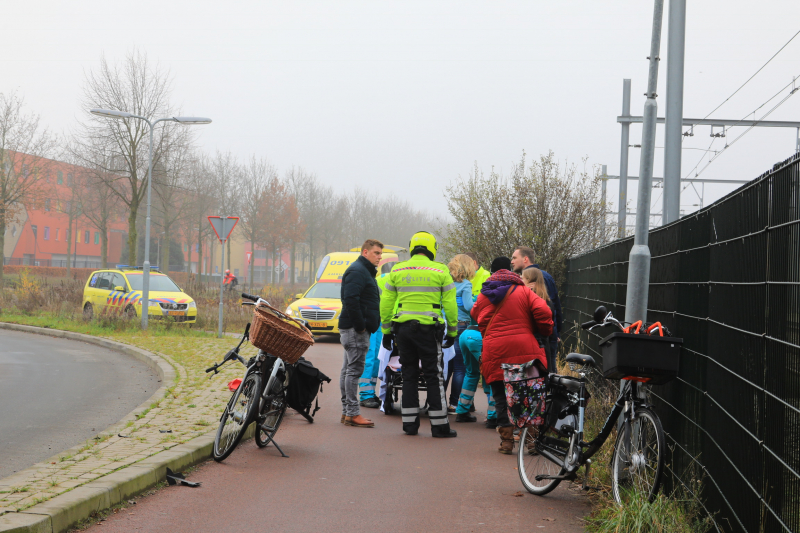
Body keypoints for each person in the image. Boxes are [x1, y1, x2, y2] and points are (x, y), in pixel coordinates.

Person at [380, 231, 459, 438]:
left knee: (409, 376)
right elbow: (450, 306)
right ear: (432, 248)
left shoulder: (397, 270)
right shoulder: (441, 271)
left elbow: (386, 303)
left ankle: (409, 426)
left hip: (402, 330)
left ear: (412, 246)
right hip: (429, 330)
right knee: (433, 376)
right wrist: (452, 331)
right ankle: (440, 427)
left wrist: (386, 332)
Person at [471, 268, 552, 454]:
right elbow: (543, 311)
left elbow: (474, 313)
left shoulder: (484, 296)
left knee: (500, 397)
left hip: (495, 350)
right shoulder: (523, 291)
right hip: (525, 350)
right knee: (529, 395)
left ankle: (506, 442)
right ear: (514, 279)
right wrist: (543, 331)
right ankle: (531, 441)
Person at [338, 239, 384, 428]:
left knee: (348, 370)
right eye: (376, 253)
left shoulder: (364, 271)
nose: (379, 257)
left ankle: (347, 412)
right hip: (355, 330)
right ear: (365, 252)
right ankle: (352, 414)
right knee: (354, 371)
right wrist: (361, 326)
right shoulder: (358, 271)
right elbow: (350, 299)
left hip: (354, 328)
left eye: (381, 254)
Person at [510, 246, 562, 362]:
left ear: (525, 259)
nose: (512, 261)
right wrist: (557, 331)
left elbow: (547, 309)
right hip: (548, 335)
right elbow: (556, 306)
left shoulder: (539, 279)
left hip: (541, 339)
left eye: (514, 258)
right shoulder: (546, 276)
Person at [445, 254, 475, 419]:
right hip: (461, 325)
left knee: (445, 367)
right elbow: (469, 307)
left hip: (444, 326)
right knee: (460, 368)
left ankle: (437, 402)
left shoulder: (447, 283)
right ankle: (454, 404)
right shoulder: (466, 285)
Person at [358, 273, 392, 408]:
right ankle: (365, 395)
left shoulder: (382, 278)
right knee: (370, 357)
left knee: (376, 358)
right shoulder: (384, 279)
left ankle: (370, 393)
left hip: (381, 321)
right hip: (373, 320)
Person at [521, 267, 558, 373]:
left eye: (523, 278)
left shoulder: (532, 301)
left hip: (534, 347)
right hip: (544, 346)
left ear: (530, 281)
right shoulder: (548, 302)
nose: (520, 281)